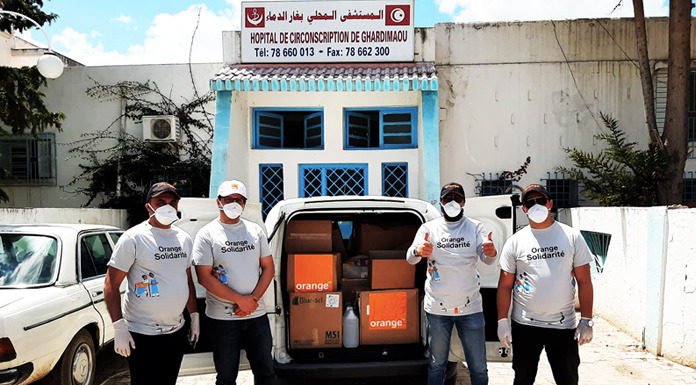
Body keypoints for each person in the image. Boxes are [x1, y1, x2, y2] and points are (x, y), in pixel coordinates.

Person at [496, 184, 594, 385]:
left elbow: (585, 281)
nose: (536, 205)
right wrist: (502, 322)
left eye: (540, 200)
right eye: (530, 202)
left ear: (550, 203)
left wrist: (586, 320)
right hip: (525, 326)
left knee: (567, 380)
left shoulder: (571, 236)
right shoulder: (515, 242)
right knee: (522, 379)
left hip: (563, 325)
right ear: (523, 208)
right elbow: (505, 285)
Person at [104, 182, 199, 385]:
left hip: (175, 331)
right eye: (161, 201)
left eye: (173, 202)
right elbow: (111, 285)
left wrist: (194, 315)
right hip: (142, 334)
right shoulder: (133, 238)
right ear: (149, 207)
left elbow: (187, 279)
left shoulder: (184, 238)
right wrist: (119, 327)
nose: (168, 206)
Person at [407, 182, 497, 385]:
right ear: (441, 202)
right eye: (448, 198)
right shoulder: (428, 228)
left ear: (464, 202)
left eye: (457, 198)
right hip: (437, 310)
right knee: (437, 364)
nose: (452, 202)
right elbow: (410, 258)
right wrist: (418, 251)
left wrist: (491, 252)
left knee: (479, 367)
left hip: (471, 309)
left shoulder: (475, 227)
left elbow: (488, 257)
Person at [192, 180, 277, 385]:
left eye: (239, 200)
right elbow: (204, 276)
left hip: (256, 315)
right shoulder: (207, 234)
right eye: (229, 199)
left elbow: (269, 268)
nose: (234, 203)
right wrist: (240, 300)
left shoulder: (255, 231)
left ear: (244, 204)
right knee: (227, 376)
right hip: (223, 320)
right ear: (218, 202)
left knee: (266, 372)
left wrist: (252, 300)